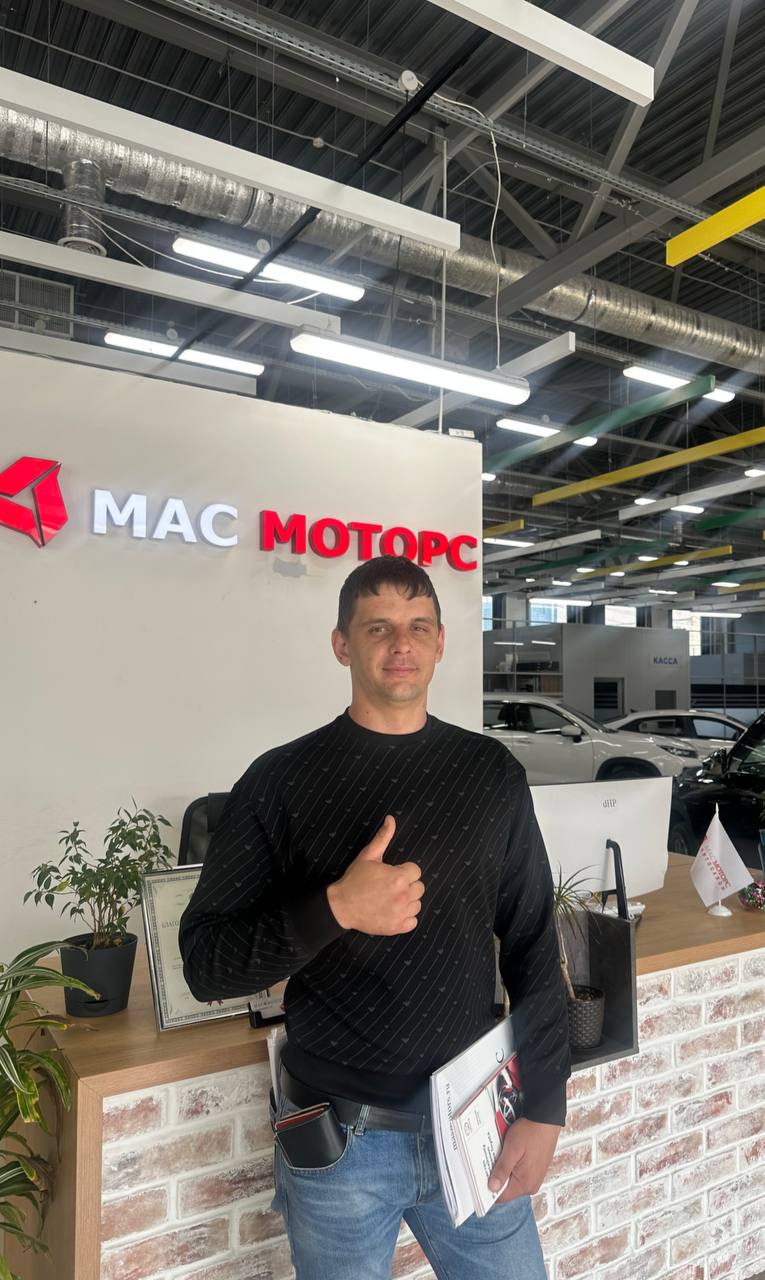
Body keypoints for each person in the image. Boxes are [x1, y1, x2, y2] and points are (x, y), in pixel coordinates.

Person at [179, 555, 570, 1280]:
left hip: (475, 1124)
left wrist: (545, 1106)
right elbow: (205, 964)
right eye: (378, 627)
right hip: (340, 1144)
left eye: (419, 626)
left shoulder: (490, 772)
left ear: (441, 643)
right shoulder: (279, 780)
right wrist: (335, 908)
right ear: (342, 645)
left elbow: (533, 943)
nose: (401, 644)